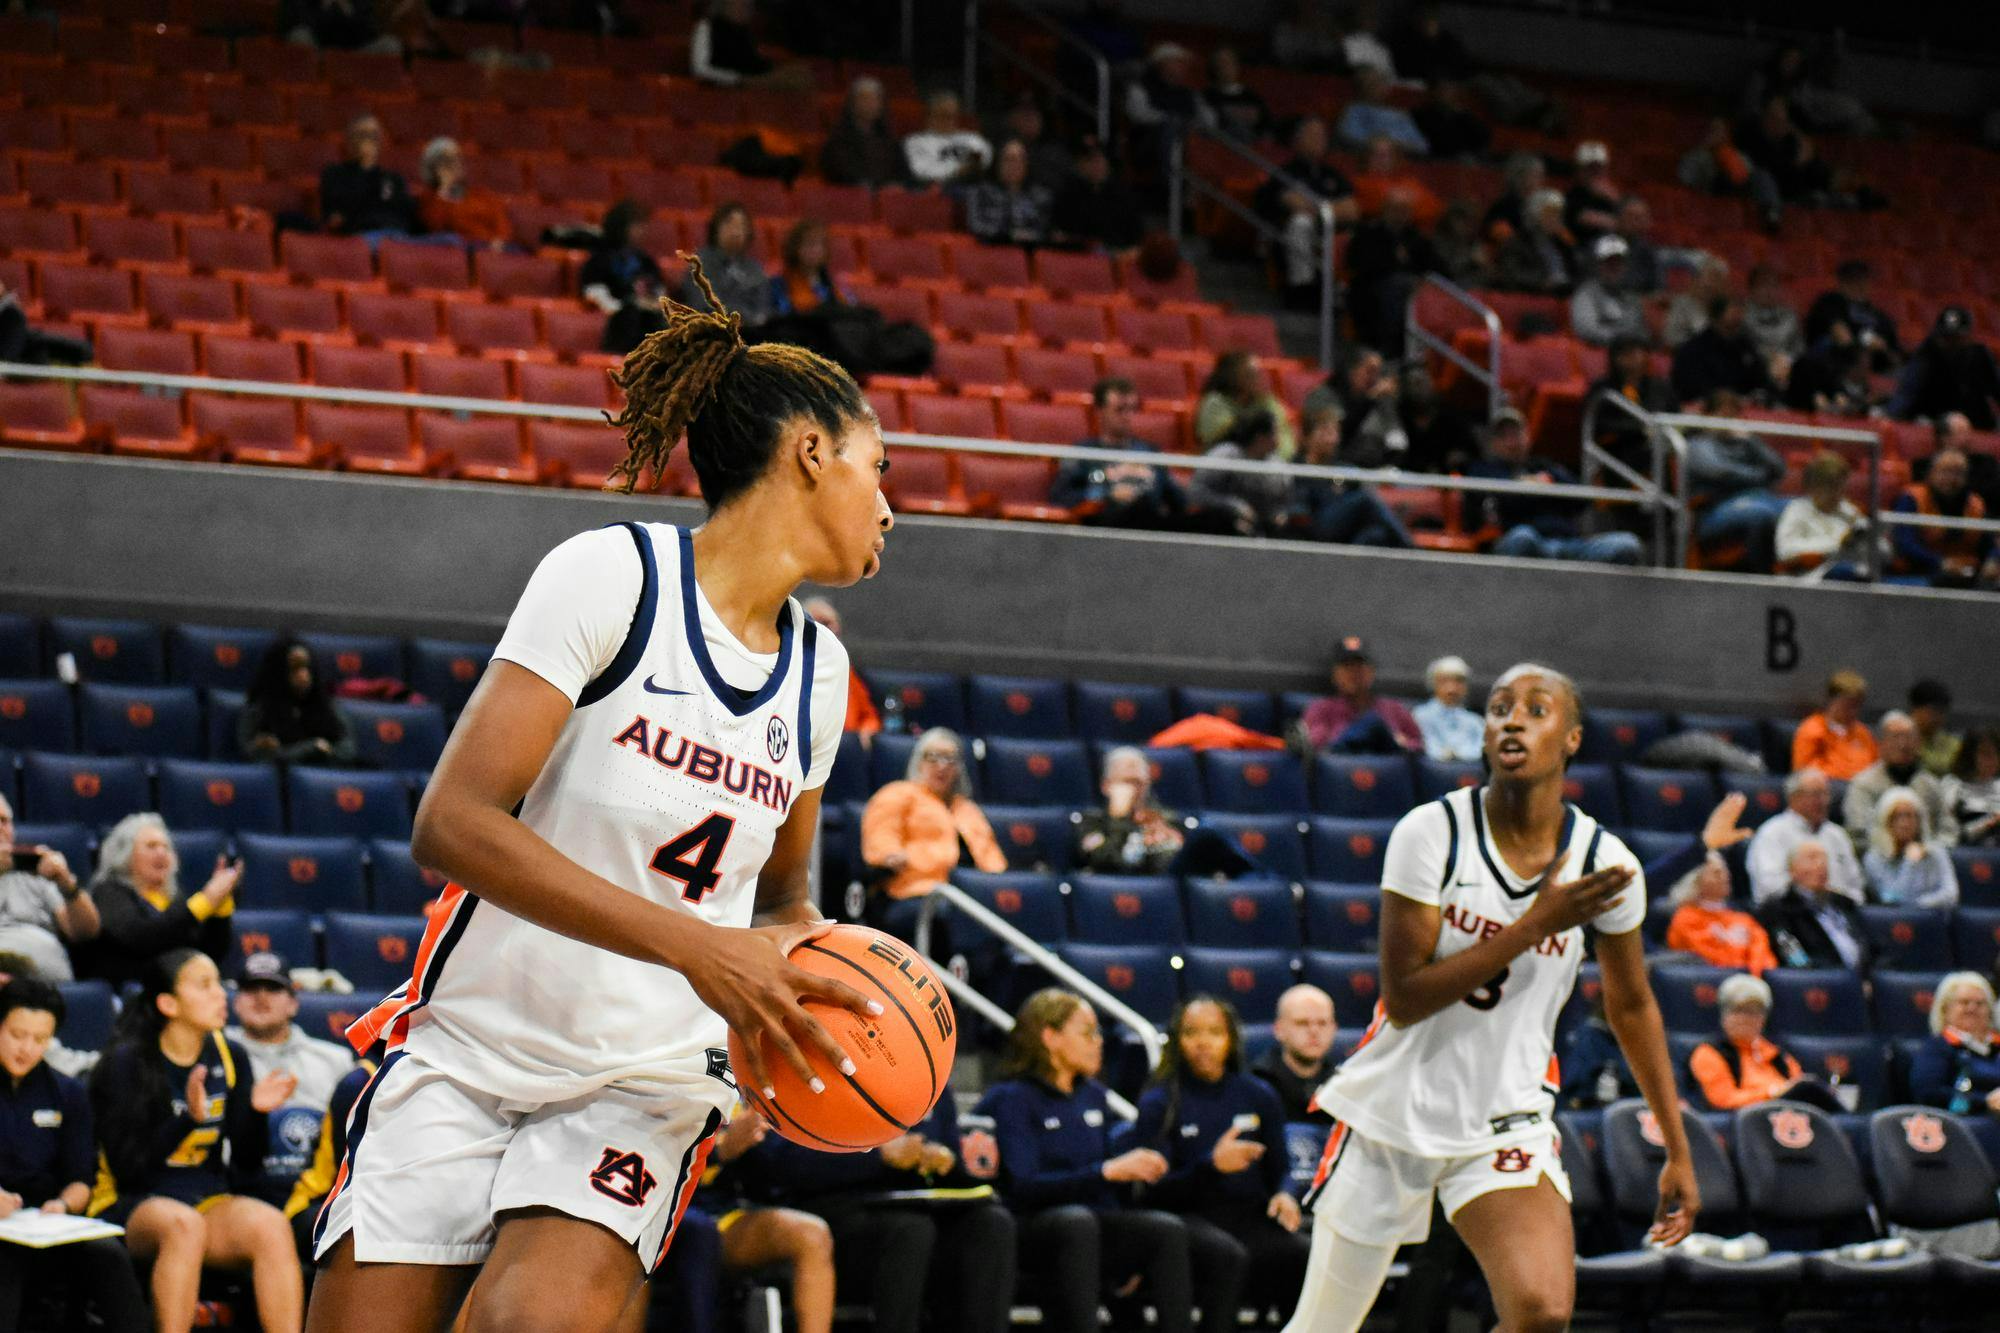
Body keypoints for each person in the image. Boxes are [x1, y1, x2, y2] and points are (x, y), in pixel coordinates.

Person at [304, 260, 893, 1332]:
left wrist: (820, 1012)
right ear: (810, 452)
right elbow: (452, 823)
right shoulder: (613, 576)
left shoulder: (820, 674)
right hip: (472, 1043)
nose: (889, 509)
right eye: (877, 468)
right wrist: (695, 946)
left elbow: (778, 902)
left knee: (526, 1323)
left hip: (648, 1076)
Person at [1284, 664, 1696, 1333]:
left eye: (1536, 709)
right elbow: (1406, 996)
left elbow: (1632, 1006)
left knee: (1542, 1311)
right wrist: (1534, 924)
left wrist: (1677, 1146)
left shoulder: (1604, 861)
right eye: (1500, 708)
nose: (1512, 721)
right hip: (1396, 1108)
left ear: (1571, 738)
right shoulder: (1431, 832)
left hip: (1506, 1117)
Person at [89, 948, 303, 1333]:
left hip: (204, 1197)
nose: (221, 995)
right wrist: (187, 1120)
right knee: (183, 1225)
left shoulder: (229, 1054)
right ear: (168, 1003)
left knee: (272, 1225)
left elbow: (248, 1164)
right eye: (204, 986)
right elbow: (128, 1169)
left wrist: (255, 1114)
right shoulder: (126, 1062)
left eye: (219, 984)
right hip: (127, 1202)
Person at [973, 989, 1196, 1333]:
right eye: (1087, 1032)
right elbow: (1024, 1185)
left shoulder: (1094, 1095)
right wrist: (1106, 1172)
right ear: (1050, 1037)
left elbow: (1106, 1186)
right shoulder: (1011, 1098)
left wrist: (1130, 1253)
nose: (1099, 1042)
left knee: (1164, 1231)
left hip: (1091, 1221)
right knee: (1077, 1223)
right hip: (1031, 1224)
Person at [724, 1095, 1017, 1333]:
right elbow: (780, 1163)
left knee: (992, 1224)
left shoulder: (928, 1067)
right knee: (911, 1230)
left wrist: (944, 1161)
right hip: (836, 1207)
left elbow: (952, 1155)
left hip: (920, 1205)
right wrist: (878, 1157)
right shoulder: (810, 1066)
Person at [1132, 996, 1309, 1324]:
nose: (1203, 1042)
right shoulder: (1160, 1101)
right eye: (1192, 1033)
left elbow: (1282, 1169)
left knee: (1303, 1251)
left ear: (1230, 1039)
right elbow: (1154, 1191)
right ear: (1177, 1040)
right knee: (1228, 1255)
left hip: (1248, 1215)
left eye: (1214, 1032)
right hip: (1186, 1218)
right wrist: (1211, 1166)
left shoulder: (1259, 1095)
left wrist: (1285, 1195)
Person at [0, 977, 150, 1331]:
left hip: (43, 1224)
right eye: (17, 1035)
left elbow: (81, 1179)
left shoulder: (67, 1092)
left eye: (40, 1039)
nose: (27, 1048)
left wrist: (64, 1205)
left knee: (109, 1254)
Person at [225, 951, 356, 1206]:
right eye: (251, 989)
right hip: (241, 1189)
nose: (262, 997)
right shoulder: (217, 1056)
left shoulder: (336, 1060)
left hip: (321, 1193)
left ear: (293, 1004)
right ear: (236, 1002)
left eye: (273, 989)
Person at [859, 727, 1006, 951]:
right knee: (958, 915)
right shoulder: (898, 794)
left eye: (950, 759)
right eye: (933, 757)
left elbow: (993, 860)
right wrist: (889, 855)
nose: (942, 766)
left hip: (971, 895)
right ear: (918, 762)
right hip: (916, 893)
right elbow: (882, 840)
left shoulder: (968, 809)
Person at [693, 1110, 836, 1333]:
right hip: (672, 1208)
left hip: (726, 1211)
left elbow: (783, 1161)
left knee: (812, 1235)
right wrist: (719, 1151)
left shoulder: (749, 1095)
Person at [1469, 409, 1646, 566]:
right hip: (1530, 544)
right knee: (1522, 537)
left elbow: (1582, 499)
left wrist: (1540, 484)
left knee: (1627, 544)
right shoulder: (1484, 470)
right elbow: (1500, 501)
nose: (1512, 442)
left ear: (1528, 437)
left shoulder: (1545, 466)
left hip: (1570, 544)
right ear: (1493, 443)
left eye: (1516, 434)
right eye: (1504, 436)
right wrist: (1534, 486)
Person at [87, 813, 239, 987]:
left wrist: (220, 906)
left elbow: (207, 954)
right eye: (151, 846)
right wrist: (204, 902)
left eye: (166, 847)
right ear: (124, 854)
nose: (161, 853)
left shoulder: (175, 898)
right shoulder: (108, 892)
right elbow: (140, 937)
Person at [1686, 973, 1841, 1112]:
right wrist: (1773, 1093)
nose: (1746, 1019)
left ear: (1764, 1018)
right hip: (1749, 1123)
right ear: (1724, 1014)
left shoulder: (1776, 1054)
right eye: (1738, 1010)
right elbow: (1723, 1100)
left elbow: (1798, 1086)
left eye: (1754, 1012)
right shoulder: (1708, 1053)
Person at [1051, 377, 1185, 529]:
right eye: (1119, 410)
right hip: (1105, 525)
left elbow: (1178, 500)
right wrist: (1107, 492)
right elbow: (1061, 497)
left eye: (1131, 409)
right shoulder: (1083, 453)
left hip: (1148, 521)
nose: (1127, 416)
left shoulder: (1150, 452)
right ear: (1100, 411)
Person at [1284, 404, 1415, 549]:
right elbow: (1298, 508)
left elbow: (1358, 492)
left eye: (1335, 432)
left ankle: (1348, 563)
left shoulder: (1342, 468)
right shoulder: (1299, 468)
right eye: (1326, 432)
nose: (1332, 439)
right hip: (1316, 525)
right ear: (1307, 438)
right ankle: (1412, 549)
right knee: (1365, 499)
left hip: (1344, 528)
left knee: (1376, 534)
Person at [1685, 391, 1789, 572]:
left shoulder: (1745, 442)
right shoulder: (1699, 444)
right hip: (1716, 508)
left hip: (1760, 497)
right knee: (1762, 514)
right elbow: (1720, 472)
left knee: (1798, 507)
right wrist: (1759, 476)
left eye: (1732, 416)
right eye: (1722, 415)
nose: (1727, 421)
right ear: (1708, 416)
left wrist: (1752, 440)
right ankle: (1761, 576)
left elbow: (1779, 468)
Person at [0, 792, 97, 981]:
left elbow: (85, 932)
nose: (0, 828)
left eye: (4, 821)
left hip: (48, 984)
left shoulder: (37, 872)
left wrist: (66, 884)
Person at [1747, 767, 1865, 905]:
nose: (1823, 801)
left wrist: (1839, 899)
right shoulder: (1772, 833)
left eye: (1826, 794)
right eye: (1816, 794)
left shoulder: (1837, 835)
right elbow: (1768, 887)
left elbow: (1856, 888)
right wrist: (1811, 893)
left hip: (1837, 911)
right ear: (1793, 797)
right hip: (1790, 911)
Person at [1344, 189, 1441, 354]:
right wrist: (1392, 260)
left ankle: (1426, 352)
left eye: (1405, 210)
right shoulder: (1368, 233)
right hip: (1372, 289)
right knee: (1398, 287)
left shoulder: (1415, 237)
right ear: (1385, 209)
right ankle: (1391, 348)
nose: (1400, 214)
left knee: (1428, 292)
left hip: (1414, 290)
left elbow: (1434, 265)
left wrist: (1422, 280)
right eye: (1396, 209)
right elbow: (1358, 264)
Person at [1844, 711, 1960, 848]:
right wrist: (1893, 850)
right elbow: (1858, 830)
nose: (1903, 744)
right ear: (1881, 743)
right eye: (1895, 737)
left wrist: (1931, 850)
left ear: (1918, 743)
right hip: (1878, 855)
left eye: (1909, 737)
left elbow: (1949, 830)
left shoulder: (1930, 785)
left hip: (1925, 854)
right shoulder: (1864, 784)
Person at [1889, 445, 1998, 589]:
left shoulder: (1976, 505)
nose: (1952, 479)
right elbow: (1905, 543)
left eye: (1959, 473)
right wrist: (1940, 563)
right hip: (1920, 573)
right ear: (1931, 473)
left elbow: (1990, 544)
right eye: (1945, 471)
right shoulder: (1912, 498)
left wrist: (1993, 559)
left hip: (1967, 576)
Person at [238, 637, 355, 766]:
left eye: (307, 668)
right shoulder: (259, 711)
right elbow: (251, 754)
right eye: (295, 668)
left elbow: (348, 751)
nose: (303, 676)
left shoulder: (327, 707)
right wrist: (311, 748)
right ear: (278, 673)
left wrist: (326, 752)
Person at [1757, 843, 1873, 969]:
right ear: (1792, 870)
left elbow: (1870, 944)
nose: (1820, 864)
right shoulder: (1778, 909)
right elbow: (1794, 957)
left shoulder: (1844, 902)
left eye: (1824, 859)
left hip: (1864, 973)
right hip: (1821, 976)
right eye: (1812, 858)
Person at [1301, 636, 1422, 755]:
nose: (1354, 674)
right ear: (1335, 674)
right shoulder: (1321, 709)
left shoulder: (1394, 709)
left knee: (1375, 724)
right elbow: (1315, 743)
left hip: (1385, 763)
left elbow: (1418, 744)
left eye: (1359, 668)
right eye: (1347, 668)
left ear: (1371, 673)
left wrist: (1404, 743)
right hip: (1344, 762)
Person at [1075, 746, 1187, 875]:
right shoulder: (1090, 822)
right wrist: (1119, 818)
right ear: (1106, 786)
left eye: (1138, 783)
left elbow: (1167, 867)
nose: (1134, 790)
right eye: (1126, 782)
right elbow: (1105, 863)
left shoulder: (1166, 821)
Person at [580, 200, 670, 357]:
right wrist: (620, 307)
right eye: (637, 225)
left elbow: (659, 289)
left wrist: (656, 303)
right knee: (631, 318)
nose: (642, 231)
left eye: (643, 226)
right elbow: (593, 290)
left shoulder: (646, 261)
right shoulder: (601, 258)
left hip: (648, 318)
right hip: (619, 320)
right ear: (621, 226)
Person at [1666, 853, 1778, 974]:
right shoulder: (1685, 918)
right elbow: (1709, 959)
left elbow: (1765, 958)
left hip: (1750, 980)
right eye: (1717, 873)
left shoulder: (1744, 919)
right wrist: (1745, 970)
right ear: (1695, 880)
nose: (1725, 877)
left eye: (1725, 871)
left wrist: (1755, 973)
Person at [1891, 306, 2000, 430]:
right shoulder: (1927, 354)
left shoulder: (1979, 355)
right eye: (1946, 338)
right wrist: (1892, 414)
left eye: (1956, 338)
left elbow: (1997, 389)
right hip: (1935, 423)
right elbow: (1908, 391)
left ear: (1968, 337)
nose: (1951, 343)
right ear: (1937, 337)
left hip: (1976, 424)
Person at [1189, 409, 1292, 536]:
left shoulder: (1278, 466)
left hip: (1261, 525)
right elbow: (1196, 492)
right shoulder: (1224, 455)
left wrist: (1280, 514)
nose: (1280, 438)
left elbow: (1284, 503)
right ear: (1260, 437)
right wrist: (1234, 506)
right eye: (1276, 433)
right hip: (1222, 522)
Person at [1909, 973, 2000, 1116]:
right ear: (1945, 1009)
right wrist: (1985, 1102)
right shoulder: (1937, 1047)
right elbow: (1929, 1093)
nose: (1972, 1008)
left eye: (1980, 1003)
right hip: (1966, 1122)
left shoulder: (1996, 1044)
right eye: (1964, 1002)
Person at [1584, 334, 1677, 472]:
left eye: (1640, 352)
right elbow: (1598, 424)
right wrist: (1640, 428)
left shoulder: (1660, 387)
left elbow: (1674, 413)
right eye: (1628, 353)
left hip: (1658, 443)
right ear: (1615, 358)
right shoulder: (1603, 391)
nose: (1635, 358)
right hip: (1619, 448)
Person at [319, 114, 418, 241]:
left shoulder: (393, 178)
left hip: (398, 237)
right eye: (363, 135)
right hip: (363, 237)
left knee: (444, 240)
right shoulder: (335, 174)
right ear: (349, 140)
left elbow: (406, 214)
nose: (369, 140)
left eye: (374, 135)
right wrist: (365, 164)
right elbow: (339, 216)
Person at [1774, 451, 1873, 577]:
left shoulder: (1850, 511)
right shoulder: (1797, 510)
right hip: (1808, 577)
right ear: (1813, 487)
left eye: (1841, 486)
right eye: (1832, 487)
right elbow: (1785, 551)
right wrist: (1836, 545)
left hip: (1852, 573)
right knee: (1841, 571)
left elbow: (1883, 553)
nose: (1838, 493)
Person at [1252, 984, 1337, 1124]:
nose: (1314, 1031)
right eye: (1302, 1023)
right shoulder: (1258, 1084)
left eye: (1322, 1023)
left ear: (1334, 1028)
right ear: (1279, 1029)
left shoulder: (1344, 1085)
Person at [1862, 788, 1960, 909]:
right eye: (1896, 817)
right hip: (1894, 919)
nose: (1904, 823)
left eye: (1909, 816)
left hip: (1932, 917)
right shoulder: (1874, 858)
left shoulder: (1936, 852)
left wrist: (1919, 905)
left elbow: (1951, 895)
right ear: (1885, 821)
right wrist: (1910, 863)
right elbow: (1893, 899)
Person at [684, 201, 774, 330]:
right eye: (729, 224)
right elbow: (703, 304)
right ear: (716, 229)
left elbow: (763, 307)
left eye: (742, 225)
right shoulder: (700, 263)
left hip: (751, 331)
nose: (736, 231)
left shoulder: (754, 268)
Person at [1671, 297, 1777, 405]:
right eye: (1733, 311)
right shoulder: (1694, 349)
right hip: (1705, 406)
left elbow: (1760, 379)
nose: (1738, 316)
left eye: (1740, 311)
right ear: (1717, 314)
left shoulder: (1745, 347)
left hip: (1744, 406)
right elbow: (1689, 385)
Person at [1804, 260, 1903, 372]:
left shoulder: (1876, 314)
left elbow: (1893, 349)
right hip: (1840, 363)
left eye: (1864, 280)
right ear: (1842, 283)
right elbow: (1841, 336)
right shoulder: (1830, 302)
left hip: (1881, 366)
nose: (1861, 286)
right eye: (1854, 281)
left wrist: (1884, 349)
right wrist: (1867, 341)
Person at [802, 598, 880, 740]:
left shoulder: (845, 670)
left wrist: (867, 730)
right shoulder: (790, 668)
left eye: (834, 623)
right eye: (823, 623)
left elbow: (869, 716)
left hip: (846, 744)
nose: (833, 629)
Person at [1050, 136, 1144, 252]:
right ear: (1080, 164)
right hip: (1077, 254)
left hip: (1116, 254)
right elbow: (1058, 232)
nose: (1096, 165)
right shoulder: (1068, 195)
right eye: (1089, 160)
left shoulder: (1123, 196)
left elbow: (1135, 238)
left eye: (1099, 160)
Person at [414, 137, 509, 248]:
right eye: (444, 163)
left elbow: (502, 226)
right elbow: (434, 225)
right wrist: (445, 190)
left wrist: (499, 241)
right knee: (448, 239)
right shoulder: (429, 199)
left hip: (490, 246)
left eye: (455, 161)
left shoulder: (482, 195)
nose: (452, 167)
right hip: (455, 246)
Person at [1195, 351, 1296, 456]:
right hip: (1227, 461)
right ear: (1233, 378)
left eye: (1258, 374)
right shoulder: (1215, 402)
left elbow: (1285, 440)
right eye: (1250, 374)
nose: (1258, 379)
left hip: (1266, 460)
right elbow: (1218, 439)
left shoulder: (1269, 404)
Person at [961, 140, 1054, 248]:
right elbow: (976, 226)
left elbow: (1046, 231)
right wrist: (1008, 235)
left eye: (1020, 160)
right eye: (1008, 159)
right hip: (992, 251)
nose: (1014, 165)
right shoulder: (980, 192)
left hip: (1029, 251)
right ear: (998, 163)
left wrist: (1031, 235)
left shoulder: (1040, 196)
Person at [1791, 669, 1877, 781]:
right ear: (1831, 700)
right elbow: (1803, 771)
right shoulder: (1812, 730)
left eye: (1857, 705)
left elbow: (1876, 767)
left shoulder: (1863, 732)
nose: (1852, 711)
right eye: (1847, 705)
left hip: (1863, 787)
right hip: (1829, 786)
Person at [819, 76, 905, 188]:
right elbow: (840, 174)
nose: (871, 104)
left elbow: (901, 173)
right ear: (853, 103)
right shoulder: (839, 140)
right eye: (865, 99)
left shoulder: (889, 140)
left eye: (875, 99)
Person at [1569, 235, 1648, 347]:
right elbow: (1587, 331)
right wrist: (1621, 339)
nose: (1614, 267)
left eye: (1618, 263)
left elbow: (1638, 329)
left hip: (1628, 351)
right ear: (1597, 265)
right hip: (1597, 350)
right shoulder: (1585, 294)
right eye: (1608, 262)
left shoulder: (1630, 296)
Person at [1493, 187, 1574, 295]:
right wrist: (1541, 283)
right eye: (1550, 215)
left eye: (1558, 214)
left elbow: (1577, 270)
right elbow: (1512, 274)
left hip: (1566, 294)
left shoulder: (1562, 243)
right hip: (1536, 295)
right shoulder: (1518, 243)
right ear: (1535, 215)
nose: (1556, 219)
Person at [903, 91, 992, 186]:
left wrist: (970, 166)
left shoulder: (972, 138)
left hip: (973, 185)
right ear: (930, 115)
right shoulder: (915, 141)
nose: (950, 120)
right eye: (944, 115)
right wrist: (956, 171)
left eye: (953, 115)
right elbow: (921, 171)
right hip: (937, 188)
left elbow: (984, 157)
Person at [1338, 66, 1427, 156]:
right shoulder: (1355, 110)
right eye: (1371, 83)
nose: (1378, 87)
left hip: (1404, 158)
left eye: (1380, 82)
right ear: (1361, 87)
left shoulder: (1401, 114)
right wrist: (1382, 145)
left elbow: (1422, 147)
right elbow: (1349, 139)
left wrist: (1398, 145)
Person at [1412, 655, 1481, 763]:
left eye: (1459, 681)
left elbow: (1485, 748)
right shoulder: (1420, 716)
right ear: (1433, 684)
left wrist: (1459, 754)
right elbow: (1428, 747)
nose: (1452, 688)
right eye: (1444, 681)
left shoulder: (1475, 721)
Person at [1662, 255, 1731, 350]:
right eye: (1709, 277)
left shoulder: (1727, 308)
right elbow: (1671, 339)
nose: (1710, 284)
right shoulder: (1682, 305)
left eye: (1717, 279)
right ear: (1697, 279)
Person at [1564, 140, 1625, 250]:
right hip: (1585, 250)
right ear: (1579, 170)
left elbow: (1627, 224)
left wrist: (1615, 200)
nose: (1595, 172)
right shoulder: (1572, 197)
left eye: (1599, 168)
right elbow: (1585, 220)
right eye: (1590, 168)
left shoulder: (1611, 197)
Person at [1945, 728, 2000, 848]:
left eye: (1996, 754)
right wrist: (1989, 824)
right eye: (1986, 754)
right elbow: (1949, 834)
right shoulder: (1953, 785)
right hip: (1965, 851)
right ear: (1970, 756)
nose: (1993, 760)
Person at [1203, 46, 1272, 140]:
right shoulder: (1206, 97)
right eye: (1221, 62)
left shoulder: (1253, 97)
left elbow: (1266, 130)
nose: (1227, 66)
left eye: (1230, 61)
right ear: (1214, 67)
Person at [1413, 77, 1489, 160]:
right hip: (1440, 159)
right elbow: (1438, 143)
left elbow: (1483, 137)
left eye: (1453, 90)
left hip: (1468, 157)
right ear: (1435, 92)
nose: (1451, 94)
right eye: (1445, 90)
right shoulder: (1422, 114)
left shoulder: (1462, 115)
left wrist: (1462, 114)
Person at [1743, 263, 1804, 362]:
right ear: (1752, 289)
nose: (1769, 291)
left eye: (1773, 285)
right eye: (1763, 286)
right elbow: (1744, 350)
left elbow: (1799, 349)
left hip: (1787, 365)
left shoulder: (1790, 316)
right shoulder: (1741, 316)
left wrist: (1786, 360)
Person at [1909, 679, 1962, 778]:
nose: (1938, 718)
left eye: (1942, 712)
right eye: (1933, 712)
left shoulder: (1953, 744)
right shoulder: (1900, 740)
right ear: (1916, 709)